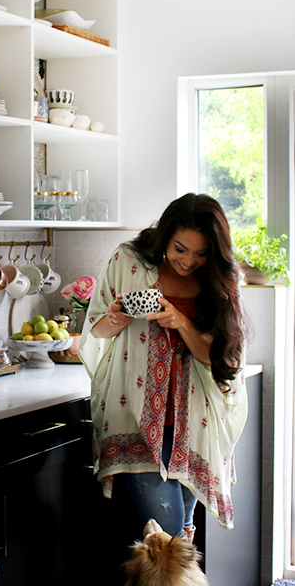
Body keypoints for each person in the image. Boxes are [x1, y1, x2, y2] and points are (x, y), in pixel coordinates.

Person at [79, 193, 247, 539]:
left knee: (181, 538)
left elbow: (217, 356)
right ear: (164, 236)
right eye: (179, 249)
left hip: (193, 424)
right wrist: (115, 318)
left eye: (200, 254)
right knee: (166, 538)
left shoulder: (218, 279)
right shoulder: (129, 261)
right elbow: (96, 328)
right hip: (134, 416)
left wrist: (182, 322)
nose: (188, 261)